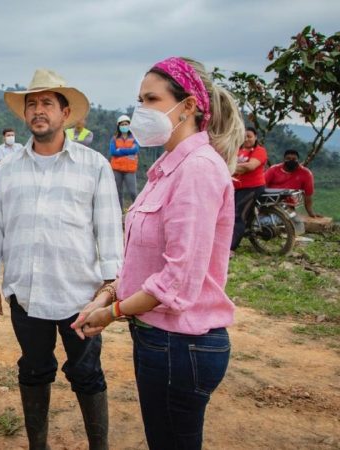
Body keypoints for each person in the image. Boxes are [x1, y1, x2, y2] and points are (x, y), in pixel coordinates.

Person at [73, 56, 245, 450]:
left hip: (180, 346)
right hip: (161, 340)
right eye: (139, 99)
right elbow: (149, 260)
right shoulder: (169, 166)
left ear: (188, 106)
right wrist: (110, 292)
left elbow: (177, 281)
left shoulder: (197, 169)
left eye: (151, 99)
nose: (140, 111)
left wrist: (112, 313)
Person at [0, 68, 123, 450]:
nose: (37, 111)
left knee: (87, 372)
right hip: (26, 294)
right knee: (33, 369)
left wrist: (111, 288)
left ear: (64, 113)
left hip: (81, 295)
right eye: (31, 105)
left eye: (46, 103)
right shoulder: (8, 168)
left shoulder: (94, 166)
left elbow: (109, 229)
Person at [231, 127, 267, 250]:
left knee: (238, 216)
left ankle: (231, 247)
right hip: (236, 188)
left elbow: (251, 166)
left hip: (252, 187)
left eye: (249, 136)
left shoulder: (259, 150)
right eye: (244, 136)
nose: (246, 139)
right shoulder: (237, 150)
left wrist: (228, 167)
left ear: (255, 137)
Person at [265, 149, 322, 217]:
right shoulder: (273, 169)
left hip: (288, 206)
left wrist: (311, 213)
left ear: (298, 160)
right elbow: (261, 185)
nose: (291, 161)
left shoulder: (306, 174)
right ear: (284, 160)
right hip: (270, 203)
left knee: (295, 222)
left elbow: (308, 196)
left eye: (294, 159)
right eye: (288, 158)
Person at [109, 114, 140, 209]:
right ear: (118, 126)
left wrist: (121, 150)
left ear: (129, 125)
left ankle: (137, 209)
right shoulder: (114, 138)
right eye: (122, 124)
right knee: (117, 192)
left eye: (126, 124)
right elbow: (113, 152)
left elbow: (135, 150)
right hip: (117, 169)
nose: (124, 126)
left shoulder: (134, 138)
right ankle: (120, 212)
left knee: (133, 192)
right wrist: (127, 150)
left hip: (129, 169)